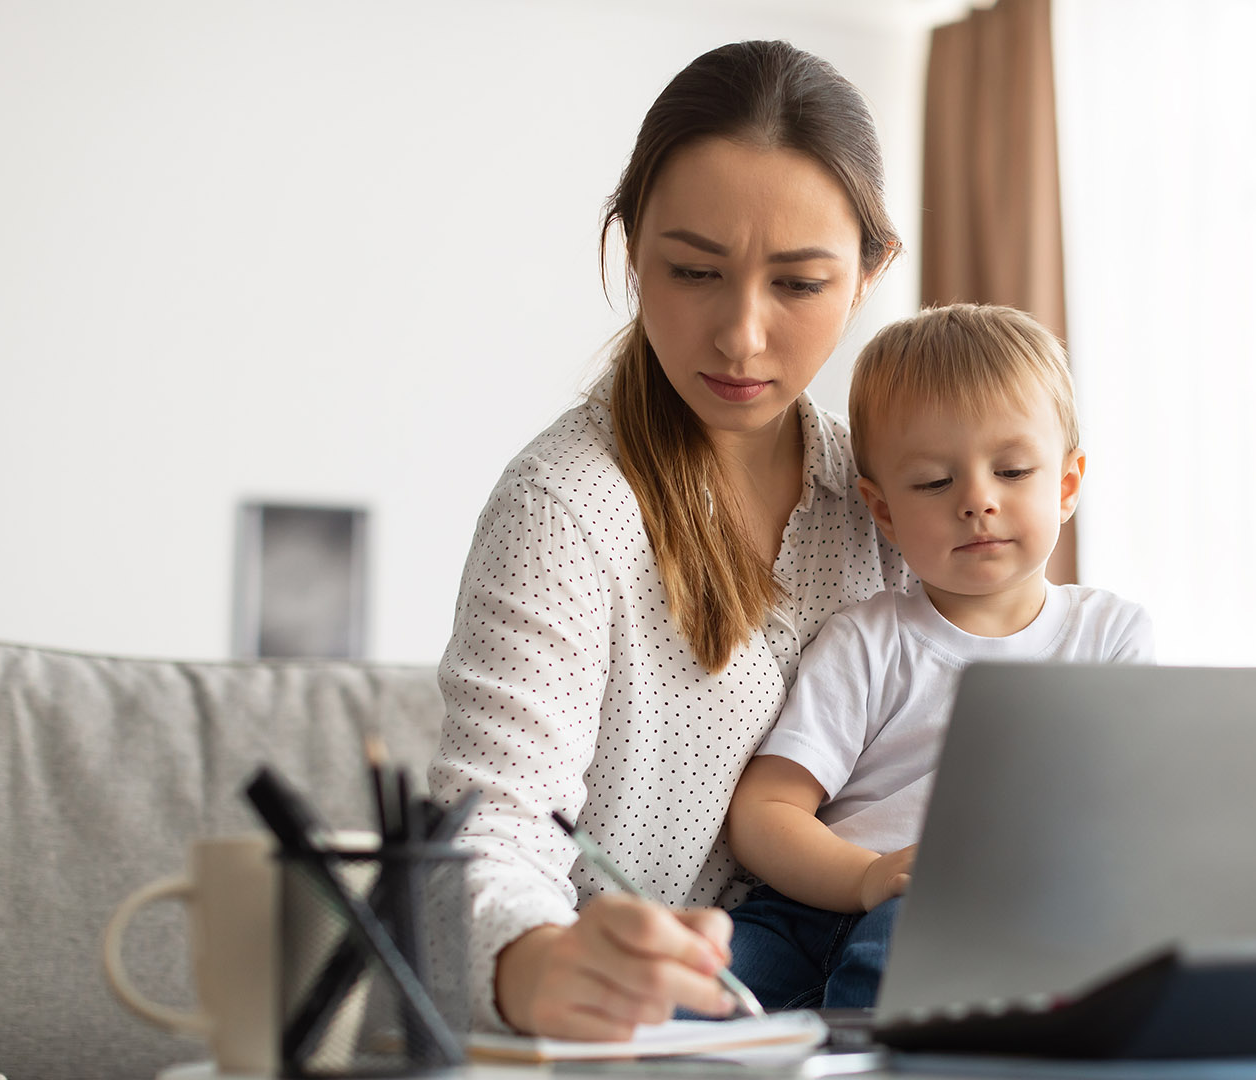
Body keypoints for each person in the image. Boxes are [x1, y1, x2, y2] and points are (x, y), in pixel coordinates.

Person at [426, 40, 912, 1039]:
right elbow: (486, 842)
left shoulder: (897, 503)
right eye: (694, 271)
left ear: (870, 273)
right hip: (635, 1043)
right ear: (629, 246)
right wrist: (535, 960)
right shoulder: (563, 510)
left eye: (798, 284)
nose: (740, 334)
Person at [721, 304, 1154, 1009]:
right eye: (932, 483)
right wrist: (864, 877)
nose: (978, 502)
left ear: (1067, 485)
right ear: (883, 510)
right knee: (674, 995)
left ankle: (854, 1036)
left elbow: (1133, 813)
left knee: (900, 967)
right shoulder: (867, 639)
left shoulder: (1108, 636)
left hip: (969, 913)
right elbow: (765, 811)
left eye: (1012, 471)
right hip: (811, 909)